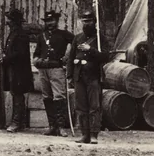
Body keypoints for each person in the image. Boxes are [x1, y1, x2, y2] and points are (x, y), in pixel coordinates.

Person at [33, 10, 74, 136]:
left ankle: (61, 127)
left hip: (57, 69)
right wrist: (36, 60)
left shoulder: (63, 34)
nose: (50, 23)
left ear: (56, 21)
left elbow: (76, 42)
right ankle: (52, 126)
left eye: (52, 21)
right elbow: (36, 53)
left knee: (59, 97)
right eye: (47, 21)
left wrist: (68, 56)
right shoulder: (42, 36)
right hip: (43, 70)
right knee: (47, 97)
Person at [66, 9, 104, 144]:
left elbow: (106, 57)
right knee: (81, 106)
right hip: (79, 76)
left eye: (89, 21)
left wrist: (91, 50)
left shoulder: (100, 38)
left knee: (94, 106)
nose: (86, 24)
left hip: (93, 76)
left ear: (94, 22)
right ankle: (84, 134)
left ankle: (94, 134)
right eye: (84, 21)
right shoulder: (77, 38)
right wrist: (69, 75)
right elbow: (71, 58)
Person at [0, 8, 37, 133]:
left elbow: (19, 54)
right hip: (13, 69)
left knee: (18, 94)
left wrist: (6, 58)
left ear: (15, 21)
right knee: (15, 93)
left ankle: (17, 122)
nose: (7, 22)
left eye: (9, 19)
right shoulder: (13, 33)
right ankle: (19, 122)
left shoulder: (21, 34)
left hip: (19, 70)